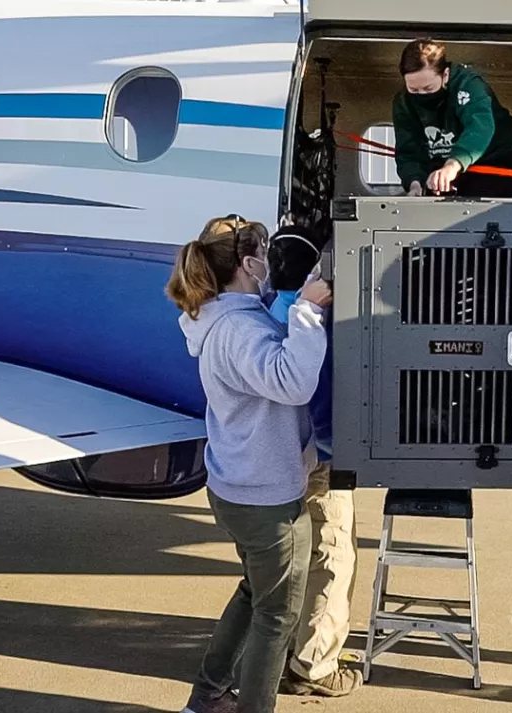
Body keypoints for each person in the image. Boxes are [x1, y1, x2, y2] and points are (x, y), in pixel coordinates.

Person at [166, 215, 332, 713]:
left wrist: (292, 303)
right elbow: (291, 381)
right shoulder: (237, 329)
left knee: (254, 592)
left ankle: (209, 694)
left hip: (239, 485)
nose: (270, 259)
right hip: (264, 497)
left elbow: (268, 352)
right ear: (245, 263)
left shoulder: (226, 316)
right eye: (264, 251)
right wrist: (305, 310)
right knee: (277, 614)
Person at [262, 225, 363, 698]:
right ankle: (314, 666)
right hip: (319, 458)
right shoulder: (317, 322)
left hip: (274, 459)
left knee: (286, 560)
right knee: (331, 556)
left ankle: (276, 650)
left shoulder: (260, 314)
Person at [392, 38, 512, 198]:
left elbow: (479, 129)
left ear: (445, 75)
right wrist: (414, 183)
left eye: (428, 88)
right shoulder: (404, 102)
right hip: (441, 160)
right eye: (414, 89)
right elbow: (408, 149)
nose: (422, 95)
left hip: (491, 160)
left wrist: (453, 165)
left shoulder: (469, 86)